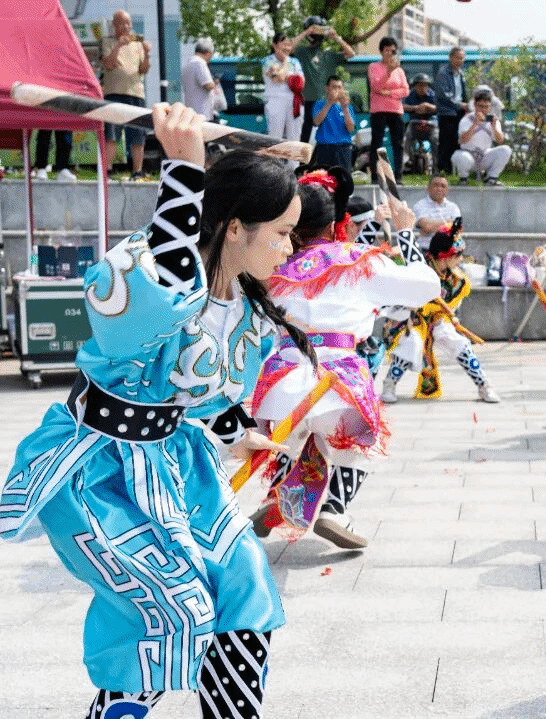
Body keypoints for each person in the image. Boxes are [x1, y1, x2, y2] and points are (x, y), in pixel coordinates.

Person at [0, 103, 313, 718]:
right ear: (235, 228)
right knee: (172, 609)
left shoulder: (240, 306)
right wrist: (182, 171)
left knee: (244, 580)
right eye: (281, 232)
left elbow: (206, 390)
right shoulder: (162, 273)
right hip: (99, 469)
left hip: (176, 462)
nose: (289, 247)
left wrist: (237, 432)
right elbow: (154, 297)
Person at [249, 163, 441, 547]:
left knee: (296, 436)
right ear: (337, 220)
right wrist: (405, 233)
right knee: (357, 441)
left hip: (279, 384)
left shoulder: (269, 265)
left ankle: (278, 493)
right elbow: (426, 287)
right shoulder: (359, 260)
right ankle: (335, 508)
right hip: (338, 381)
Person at [381, 218, 501, 404]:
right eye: (458, 255)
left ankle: (484, 384)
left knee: (455, 340)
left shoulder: (457, 280)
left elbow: (450, 307)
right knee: (411, 342)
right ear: (445, 257)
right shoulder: (418, 267)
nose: (461, 259)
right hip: (409, 318)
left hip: (438, 318)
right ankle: (389, 384)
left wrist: (442, 317)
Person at [289, 16, 356, 144]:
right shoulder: (302, 52)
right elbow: (289, 48)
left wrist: (336, 37)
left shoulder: (329, 55)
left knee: (326, 134)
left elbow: (351, 53)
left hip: (327, 100)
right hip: (307, 100)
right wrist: (307, 32)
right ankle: (304, 157)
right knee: (305, 136)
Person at [101, 10, 151, 179]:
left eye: (128, 23)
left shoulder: (138, 44)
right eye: (122, 23)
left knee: (137, 135)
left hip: (136, 93)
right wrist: (118, 46)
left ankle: (137, 171)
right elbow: (109, 64)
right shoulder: (107, 42)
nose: (126, 26)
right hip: (113, 93)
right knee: (111, 134)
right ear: (114, 25)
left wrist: (147, 53)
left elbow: (143, 70)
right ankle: (107, 171)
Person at [368, 36, 409, 182]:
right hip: (379, 110)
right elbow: (376, 86)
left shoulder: (400, 71)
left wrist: (389, 93)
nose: (390, 54)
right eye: (387, 50)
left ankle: (398, 175)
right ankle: (375, 175)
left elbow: (405, 90)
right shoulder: (374, 67)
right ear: (381, 51)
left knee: (398, 144)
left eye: (393, 51)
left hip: (396, 110)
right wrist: (388, 72)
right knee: (377, 143)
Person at [452, 89, 512, 186]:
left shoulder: (493, 121)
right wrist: (475, 124)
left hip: (484, 155)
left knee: (506, 150)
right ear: (475, 105)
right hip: (469, 156)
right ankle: (464, 178)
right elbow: (462, 140)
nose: (483, 110)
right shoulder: (466, 120)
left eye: (486, 107)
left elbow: (500, 140)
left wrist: (494, 127)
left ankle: (491, 178)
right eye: (480, 106)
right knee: (459, 156)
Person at [262, 32, 305, 146]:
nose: (287, 48)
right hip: (275, 101)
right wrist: (286, 62)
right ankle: (273, 158)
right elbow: (279, 78)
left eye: (288, 45)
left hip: (294, 102)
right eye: (284, 44)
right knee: (275, 137)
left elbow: (301, 82)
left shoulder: (295, 62)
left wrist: (283, 74)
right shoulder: (268, 61)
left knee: (294, 138)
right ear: (275, 45)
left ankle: (293, 159)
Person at [435, 47, 469, 175]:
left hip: (459, 112)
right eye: (457, 58)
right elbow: (444, 95)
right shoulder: (443, 73)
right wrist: (460, 105)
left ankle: (455, 169)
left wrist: (467, 106)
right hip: (447, 113)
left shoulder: (461, 73)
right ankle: (443, 170)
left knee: (457, 141)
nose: (459, 61)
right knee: (446, 142)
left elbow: (463, 93)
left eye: (462, 58)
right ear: (450, 58)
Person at [312, 75, 356, 169]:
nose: (337, 90)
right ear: (327, 88)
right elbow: (316, 122)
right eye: (334, 87)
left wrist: (345, 107)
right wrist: (329, 103)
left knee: (343, 176)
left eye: (339, 87)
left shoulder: (348, 106)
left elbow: (351, 128)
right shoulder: (320, 103)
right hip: (324, 146)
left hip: (343, 147)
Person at [413, 174, 461, 250]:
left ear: (447, 190)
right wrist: (448, 222)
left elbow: (457, 229)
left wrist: (432, 227)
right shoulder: (420, 205)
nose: (439, 189)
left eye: (443, 186)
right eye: (435, 185)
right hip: (425, 249)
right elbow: (427, 226)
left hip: (448, 251)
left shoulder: (453, 207)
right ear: (428, 188)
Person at [181, 38, 225, 121]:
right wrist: (215, 83)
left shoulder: (188, 64)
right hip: (203, 113)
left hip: (191, 111)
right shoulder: (200, 63)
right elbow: (207, 85)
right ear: (208, 53)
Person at [403, 73, 439, 174]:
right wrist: (415, 108)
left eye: (424, 85)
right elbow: (402, 106)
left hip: (431, 125)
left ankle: (436, 165)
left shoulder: (433, 95)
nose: (422, 88)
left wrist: (427, 106)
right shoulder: (410, 95)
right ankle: (407, 163)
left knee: (437, 139)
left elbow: (440, 107)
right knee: (405, 139)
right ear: (415, 86)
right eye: (419, 85)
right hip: (414, 124)